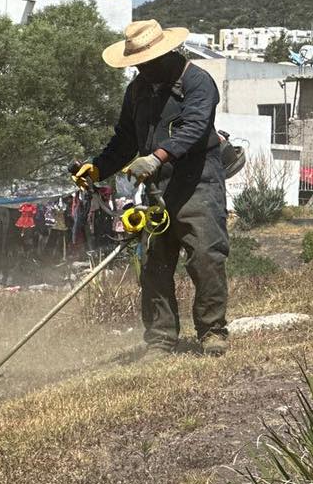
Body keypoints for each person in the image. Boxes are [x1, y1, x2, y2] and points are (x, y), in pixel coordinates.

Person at [70, 19, 230, 360]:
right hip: (157, 192)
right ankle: (160, 339)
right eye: (137, 64)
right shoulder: (138, 90)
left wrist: (156, 157)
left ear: (164, 54)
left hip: (198, 184)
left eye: (146, 62)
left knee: (206, 258)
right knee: (156, 265)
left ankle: (212, 332)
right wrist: (98, 167)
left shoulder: (197, 83)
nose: (141, 68)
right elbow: (125, 139)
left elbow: (195, 128)